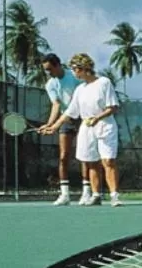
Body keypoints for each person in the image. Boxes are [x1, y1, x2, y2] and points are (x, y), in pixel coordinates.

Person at [39, 53, 122, 207]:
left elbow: (113, 107)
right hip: (87, 128)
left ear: (83, 68)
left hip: (105, 126)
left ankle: (114, 196)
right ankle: (96, 195)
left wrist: (97, 118)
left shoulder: (104, 82)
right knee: (91, 162)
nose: (73, 72)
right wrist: (53, 127)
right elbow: (69, 112)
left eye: (75, 69)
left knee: (108, 161)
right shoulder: (80, 90)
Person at [40, 53, 90, 206]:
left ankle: (87, 193)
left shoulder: (74, 76)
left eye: (49, 69)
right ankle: (65, 194)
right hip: (65, 119)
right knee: (63, 156)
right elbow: (56, 105)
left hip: (83, 118)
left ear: (57, 65)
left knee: (84, 155)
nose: (48, 73)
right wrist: (49, 124)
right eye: (46, 70)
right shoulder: (50, 84)